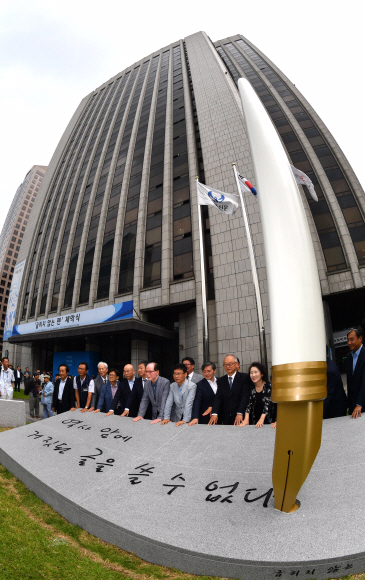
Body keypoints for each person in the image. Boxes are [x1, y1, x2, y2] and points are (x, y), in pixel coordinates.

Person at [209, 354, 250, 426]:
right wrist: (214, 413)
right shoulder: (221, 380)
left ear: (237, 364)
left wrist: (240, 413)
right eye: (225, 364)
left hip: (240, 416)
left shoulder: (244, 377)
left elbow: (245, 397)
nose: (228, 366)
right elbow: (218, 397)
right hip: (226, 417)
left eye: (230, 364)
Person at [240, 363, 276, 428]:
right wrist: (246, 419)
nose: (253, 375)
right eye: (251, 373)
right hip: (255, 423)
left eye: (256, 372)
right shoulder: (251, 388)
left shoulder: (269, 386)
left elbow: (267, 405)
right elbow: (248, 405)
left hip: (270, 423)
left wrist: (261, 419)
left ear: (262, 374)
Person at [346, 327, 365, 419]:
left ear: (360, 338)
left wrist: (359, 404)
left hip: (362, 404)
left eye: (352, 339)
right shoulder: (349, 357)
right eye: (348, 340)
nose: (349, 343)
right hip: (353, 405)